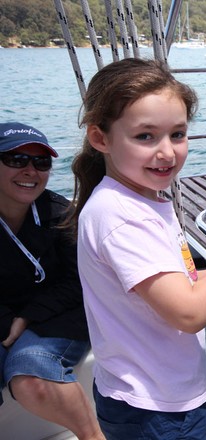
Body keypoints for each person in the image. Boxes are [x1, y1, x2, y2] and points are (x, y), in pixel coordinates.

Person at [65, 58, 206, 439]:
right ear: (101, 138)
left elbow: (152, 283)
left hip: (143, 394)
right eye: (145, 136)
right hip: (156, 410)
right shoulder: (124, 216)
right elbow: (188, 313)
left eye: (178, 134)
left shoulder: (133, 199)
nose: (167, 152)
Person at [0, 122, 104, 439]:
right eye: (17, 160)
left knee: (33, 372)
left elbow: (77, 281)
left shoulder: (60, 215)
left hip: (58, 313)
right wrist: (8, 323)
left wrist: (27, 317)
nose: (30, 170)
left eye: (41, 162)